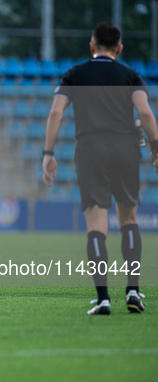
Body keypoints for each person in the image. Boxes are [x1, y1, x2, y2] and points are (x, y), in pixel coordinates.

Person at [42, 22, 158, 315]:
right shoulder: (130, 75)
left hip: (91, 150)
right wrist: (156, 149)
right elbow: (144, 111)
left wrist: (48, 153)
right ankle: (133, 290)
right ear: (119, 49)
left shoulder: (75, 74)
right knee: (129, 220)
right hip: (126, 149)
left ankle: (103, 298)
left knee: (97, 225)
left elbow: (56, 111)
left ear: (91, 47)